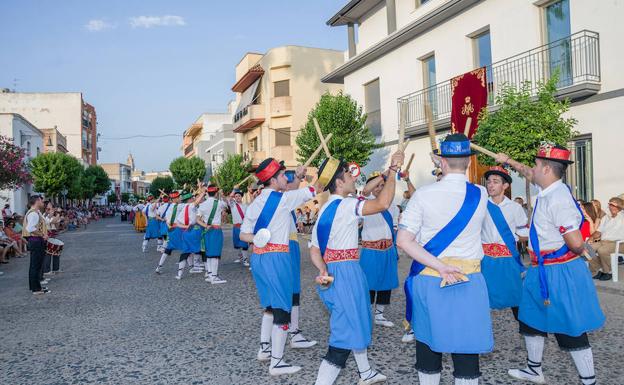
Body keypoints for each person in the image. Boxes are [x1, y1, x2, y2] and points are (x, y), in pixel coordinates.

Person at [496, 143, 605, 385]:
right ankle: (534, 370)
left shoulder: (558, 199)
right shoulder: (550, 188)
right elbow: (525, 171)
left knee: (570, 326)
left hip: (559, 270)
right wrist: (509, 160)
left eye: (536, 165)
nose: (531, 169)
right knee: (531, 319)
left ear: (546, 169)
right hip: (541, 268)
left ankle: (589, 380)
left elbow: (575, 242)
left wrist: (584, 252)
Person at [397, 134, 491, 385]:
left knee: (429, 348)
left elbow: (404, 241)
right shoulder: (481, 194)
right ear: (469, 163)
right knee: (466, 352)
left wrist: (439, 265)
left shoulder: (423, 195)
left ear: (441, 162)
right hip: (468, 280)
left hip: (431, 278)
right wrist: (441, 161)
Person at [311, 153, 402, 385]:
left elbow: (314, 249)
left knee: (357, 320)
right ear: (339, 183)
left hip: (335, 270)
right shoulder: (347, 205)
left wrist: (323, 270)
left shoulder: (325, 209)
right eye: (348, 175)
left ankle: (365, 372)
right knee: (344, 332)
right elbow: (382, 203)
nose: (353, 178)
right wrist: (392, 170)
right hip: (346, 272)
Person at [239, 158, 316, 376]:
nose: (287, 178)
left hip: (259, 257)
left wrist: (258, 238)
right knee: (283, 308)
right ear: (273, 180)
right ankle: (277, 362)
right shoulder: (283, 200)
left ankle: (265, 349)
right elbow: (316, 188)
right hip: (277, 257)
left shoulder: (255, 203)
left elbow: (244, 235)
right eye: (283, 175)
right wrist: (325, 170)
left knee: (270, 306)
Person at [480, 166, 528, 319]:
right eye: (488, 182)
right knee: (481, 301)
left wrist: (513, 238)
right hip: (485, 260)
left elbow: (524, 234)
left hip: (508, 259)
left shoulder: (515, 208)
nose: (491, 185)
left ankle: (529, 337)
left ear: (505, 186)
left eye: (495, 181)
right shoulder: (481, 206)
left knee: (517, 299)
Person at [358, 171, 401, 329]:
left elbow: (395, 229)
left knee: (386, 281)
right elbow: (365, 190)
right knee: (369, 283)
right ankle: (367, 314)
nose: (379, 188)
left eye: (382, 186)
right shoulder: (365, 203)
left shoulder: (392, 206)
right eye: (377, 186)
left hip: (388, 248)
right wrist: (383, 176)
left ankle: (379, 314)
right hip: (371, 249)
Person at [284, 170, 317, 349]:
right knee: (292, 289)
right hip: (287, 245)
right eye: (296, 180)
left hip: (287, 243)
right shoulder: (286, 198)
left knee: (288, 289)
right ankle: (293, 332)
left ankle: (281, 333)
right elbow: (315, 188)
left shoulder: (280, 198)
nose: (299, 182)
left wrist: (300, 175)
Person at [197, 185, 228, 284]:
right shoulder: (219, 203)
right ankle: (214, 277)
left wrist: (205, 225)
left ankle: (210, 275)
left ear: (207, 193)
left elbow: (197, 219)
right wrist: (222, 195)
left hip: (207, 230)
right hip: (216, 230)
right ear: (216, 193)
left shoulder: (202, 205)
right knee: (215, 254)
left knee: (209, 253)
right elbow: (227, 204)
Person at [588, 197, 624, 280]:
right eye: (610, 204)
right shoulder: (606, 218)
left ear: (619, 206)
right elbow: (598, 232)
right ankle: (597, 269)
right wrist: (591, 238)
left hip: (619, 243)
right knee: (587, 248)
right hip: (604, 241)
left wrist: (621, 206)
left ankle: (608, 271)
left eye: (613, 205)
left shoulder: (622, 216)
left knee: (602, 250)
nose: (611, 207)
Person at [23, 195, 51, 295]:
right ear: (37, 201)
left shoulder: (35, 212)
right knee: (36, 265)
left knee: (35, 265)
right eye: (41, 201)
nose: (43, 203)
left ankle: (35, 287)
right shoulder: (33, 214)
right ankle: (36, 289)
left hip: (35, 241)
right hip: (36, 241)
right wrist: (42, 234)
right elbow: (30, 228)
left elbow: (46, 221)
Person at [229, 188, 250, 267]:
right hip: (235, 227)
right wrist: (234, 189)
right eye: (236, 196)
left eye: (239, 196)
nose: (237, 197)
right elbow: (230, 198)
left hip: (243, 227)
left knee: (244, 244)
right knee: (237, 243)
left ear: (241, 197)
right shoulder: (233, 205)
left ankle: (245, 260)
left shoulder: (246, 206)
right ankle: (240, 257)